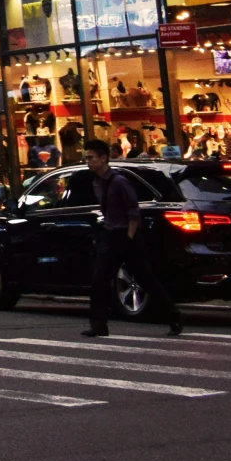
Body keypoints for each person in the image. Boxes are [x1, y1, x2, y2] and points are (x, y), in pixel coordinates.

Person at [85, 140, 182, 337]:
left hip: (125, 235)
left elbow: (133, 209)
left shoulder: (119, 181)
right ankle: (98, 325)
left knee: (145, 279)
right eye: (87, 158)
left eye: (91, 158)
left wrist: (129, 235)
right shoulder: (96, 181)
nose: (88, 162)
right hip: (111, 234)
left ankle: (174, 316)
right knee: (99, 280)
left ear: (103, 158)